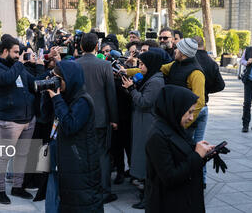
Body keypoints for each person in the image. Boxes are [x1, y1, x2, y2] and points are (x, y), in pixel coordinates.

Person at [145, 85, 214, 213]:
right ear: (175, 108)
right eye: (189, 112)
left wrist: (203, 152)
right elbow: (170, 177)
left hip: (184, 199)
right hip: (169, 204)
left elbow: (182, 155)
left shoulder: (174, 126)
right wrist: (197, 156)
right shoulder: (157, 136)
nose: (191, 118)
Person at [45, 61, 103, 212]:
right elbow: (45, 116)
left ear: (70, 78)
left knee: (80, 202)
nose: (55, 81)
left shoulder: (83, 100)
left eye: (58, 78)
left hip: (79, 160)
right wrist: (48, 96)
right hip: (62, 155)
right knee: (59, 196)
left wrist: (57, 100)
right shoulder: (66, 96)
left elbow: (70, 126)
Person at [0, 35, 37, 204]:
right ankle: (0, 191)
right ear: (5, 51)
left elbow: (33, 83)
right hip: (10, 121)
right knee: (4, 157)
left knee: (22, 155)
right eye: (15, 52)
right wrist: (19, 64)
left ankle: (17, 187)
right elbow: (6, 79)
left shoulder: (17, 66)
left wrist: (45, 66)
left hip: (28, 119)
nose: (18, 55)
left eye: (19, 52)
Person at [76, 33, 119, 204]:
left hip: (80, 117)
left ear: (80, 47)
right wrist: (114, 118)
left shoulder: (75, 64)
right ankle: (104, 191)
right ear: (96, 47)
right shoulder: (105, 65)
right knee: (103, 154)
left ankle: (84, 188)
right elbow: (111, 93)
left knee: (82, 153)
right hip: (101, 117)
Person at [121, 51, 164, 209]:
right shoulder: (151, 78)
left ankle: (149, 197)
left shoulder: (156, 82)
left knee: (147, 161)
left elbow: (145, 102)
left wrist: (131, 89)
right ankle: (146, 193)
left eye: (142, 64)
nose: (139, 67)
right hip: (143, 123)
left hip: (148, 124)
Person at [192, 35, 225, 188]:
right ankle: (202, 180)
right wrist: (206, 91)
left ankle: (191, 178)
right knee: (201, 143)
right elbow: (220, 85)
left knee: (188, 144)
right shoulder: (211, 63)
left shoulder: (190, 60)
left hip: (190, 108)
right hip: (204, 105)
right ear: (204, 45)